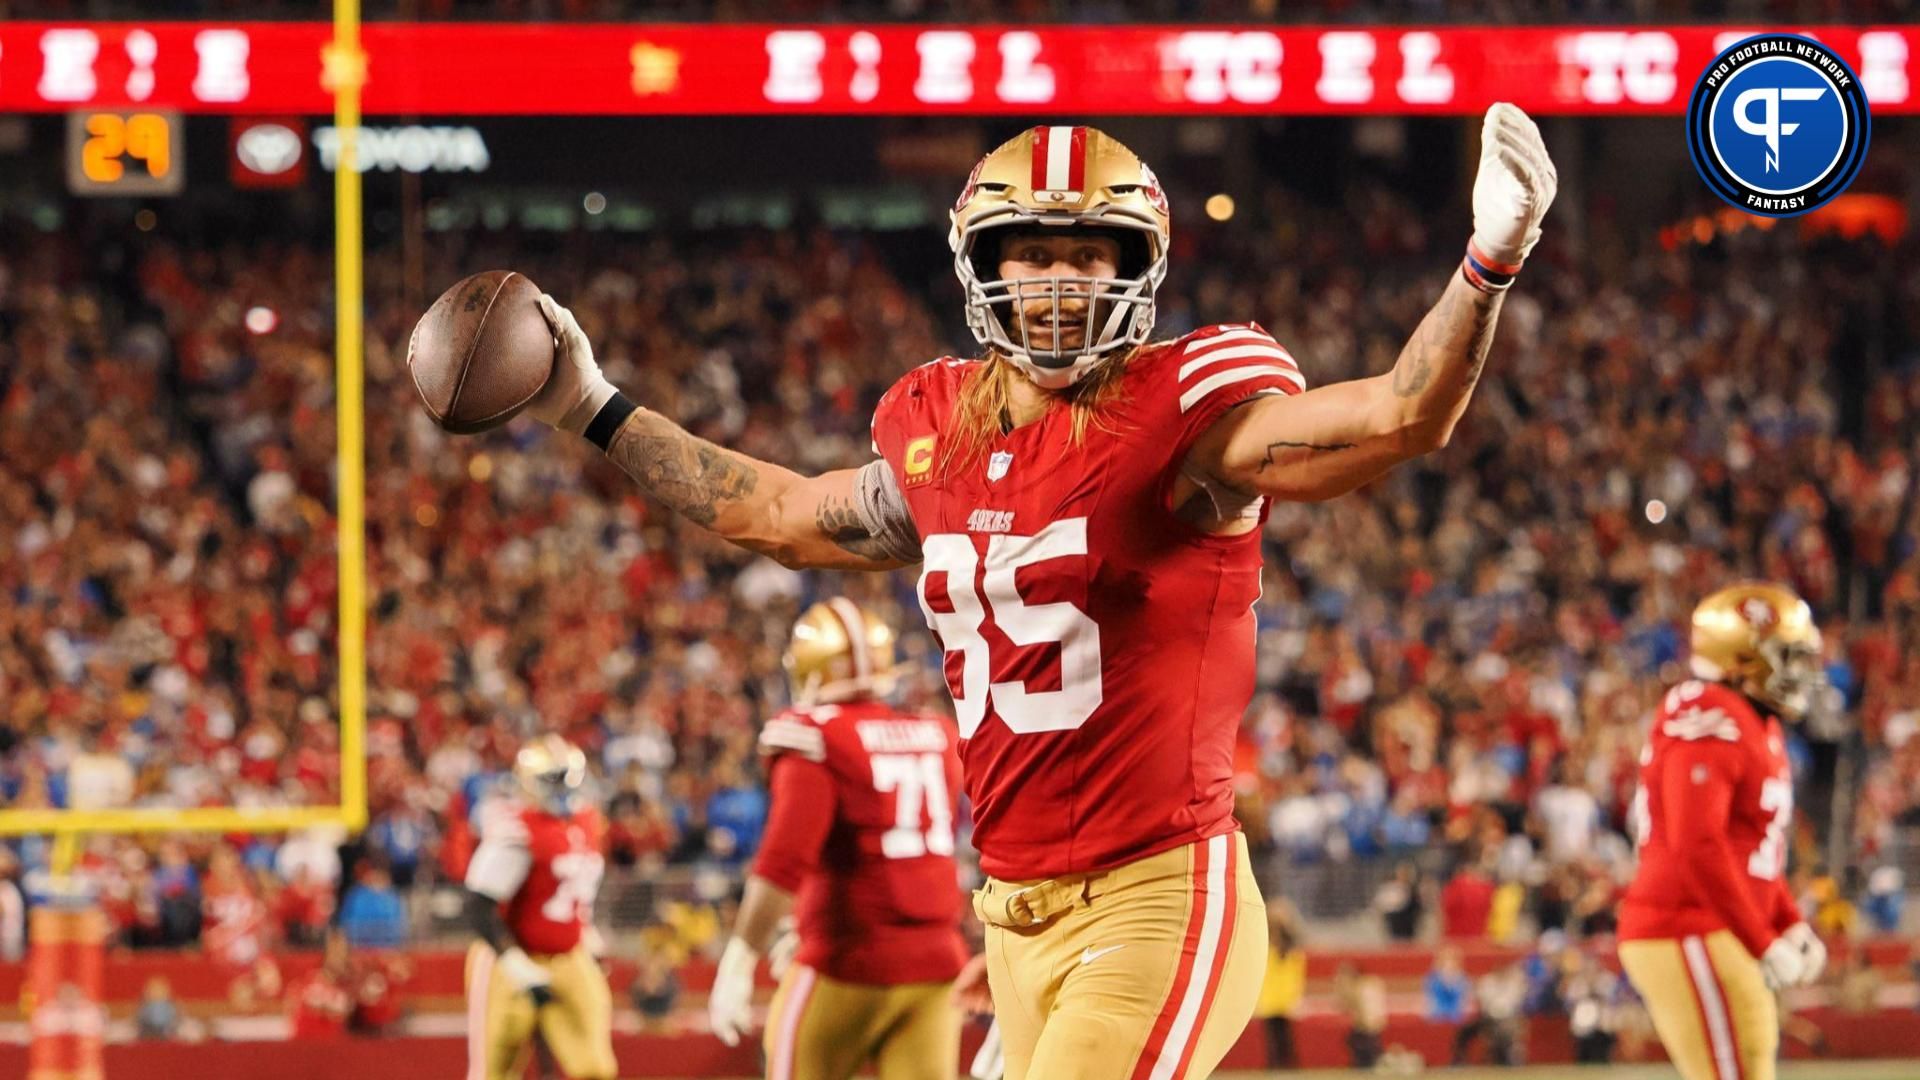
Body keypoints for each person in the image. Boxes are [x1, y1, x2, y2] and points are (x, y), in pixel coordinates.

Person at [513, 108, 1556, 1080]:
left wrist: (1487, 263)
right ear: (982, 266)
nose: (1060, 284)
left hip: (1159, 895)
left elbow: (1398, 415)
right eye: (1035, 254)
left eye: (1088, 255)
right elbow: (776, 515)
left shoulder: (1187, 419)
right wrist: (593, 407)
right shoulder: (940, 433)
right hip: (1010, 915)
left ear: (1135, 270)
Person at [707, 599, 968, 1079]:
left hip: (848, 960)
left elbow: (783, 860)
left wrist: (740, 959)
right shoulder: (935, 732)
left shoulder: (817, 736)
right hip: (936, 962)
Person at [1618, 582, 1832, 1080]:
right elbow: (1698, 846)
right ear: (1742, 660)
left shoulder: (1757, 724)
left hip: (1714, 924)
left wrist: (1788, 921)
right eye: (1787, 657)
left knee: (1749, 1063)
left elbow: (1753, 851)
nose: (1799, 672)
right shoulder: (1710, 715)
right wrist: (1761, 939)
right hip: (1685, 922)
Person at [462, 735, 616, 1080]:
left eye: (567, 776)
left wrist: (586, 935)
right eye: (552, 778)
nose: (562, 787)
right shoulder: (517, 829)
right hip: (510, 956)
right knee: (492, 1071)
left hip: (568, 953)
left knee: (595, 1067)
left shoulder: (587, 823)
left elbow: (572, 892)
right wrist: (516, 965)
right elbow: (477, 906)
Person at [1255, 902, 1306, 1068]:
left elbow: (1294, 966)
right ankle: (1276, 1064)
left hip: (1283, 993)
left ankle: (1287, 1063)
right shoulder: (1269, 938)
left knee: (1284, 1034)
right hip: (1271, 993)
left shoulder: (1288, 942)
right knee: (1273, 1034)